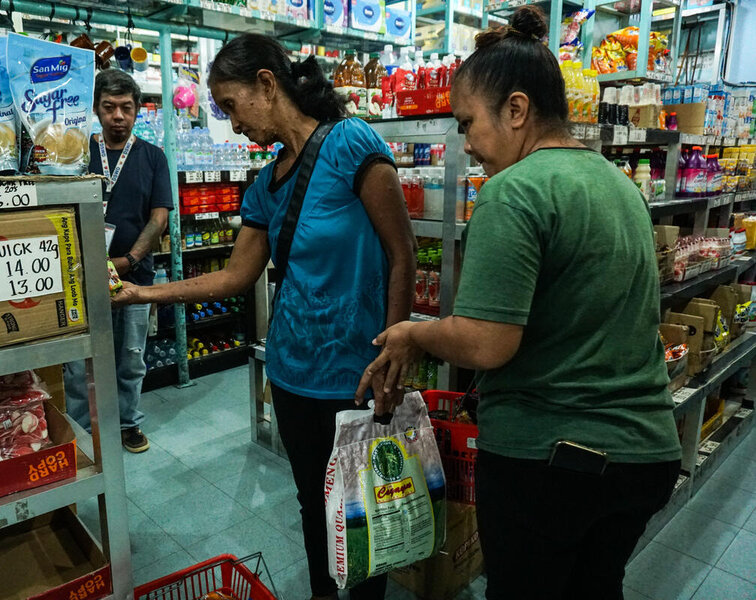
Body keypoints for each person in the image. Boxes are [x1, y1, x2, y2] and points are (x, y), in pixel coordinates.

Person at [356, 7, 682, 600]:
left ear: (516, 109)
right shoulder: (619, 185)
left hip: (553, 461)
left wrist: (411, 333)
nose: (467, 141)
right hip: (645, 455)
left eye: (468, 122)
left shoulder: (514, 190)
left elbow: (487, 342)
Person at [112, 33, 416, 600]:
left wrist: (394, 348)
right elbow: (233, 277)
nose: (230, 125)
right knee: (313, 500)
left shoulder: (353, 144)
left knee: (362, 501)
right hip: (292, 370)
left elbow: (402, 254)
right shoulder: (265, 183)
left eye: (231, 106)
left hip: (357, 368)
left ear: (267, 85)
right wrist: (139, 295)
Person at [64, 69, 172, 453]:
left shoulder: (153, 157)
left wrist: (128, 259)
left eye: (126, 107)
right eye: (109, 107)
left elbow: (159, 217)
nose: (118, 116)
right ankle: (78, 431)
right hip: (79, 275)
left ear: (138, 110)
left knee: (130, 358)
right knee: (79, 365)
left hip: (134, 276)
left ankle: (128, 423)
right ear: (96, 109)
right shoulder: (75, 154)